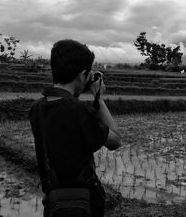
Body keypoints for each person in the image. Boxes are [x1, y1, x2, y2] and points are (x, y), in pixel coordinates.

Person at [29, 39, 121, 217]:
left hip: (53, 202)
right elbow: (115, 140)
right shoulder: (79, 111)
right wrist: (99, 98)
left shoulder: (37, 108)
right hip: (82, 204)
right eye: (87, 74)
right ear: (82, 75)